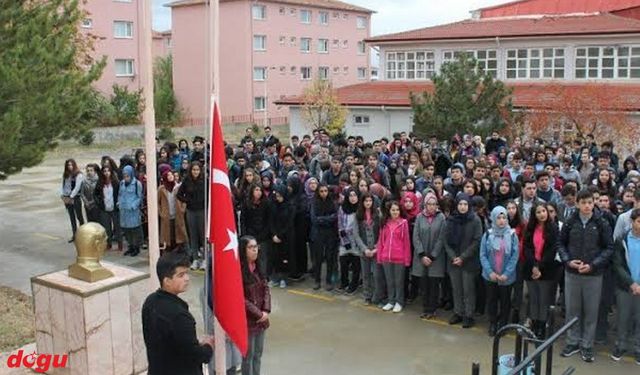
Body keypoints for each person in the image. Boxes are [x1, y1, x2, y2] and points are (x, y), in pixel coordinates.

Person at [559, 189, 614, 363]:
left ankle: (587, 345)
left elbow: (609, 248)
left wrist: (593, 265)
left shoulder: (602, 222)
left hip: (594, 274)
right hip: (572, 273)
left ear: (593, 203)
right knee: (573, 310)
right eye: (583, 203)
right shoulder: (570, 222)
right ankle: (572, 341)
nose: (587, 206)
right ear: (577, 203)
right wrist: (568, 260)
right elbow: (561, 243)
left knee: (591, 311)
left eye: (590, 202)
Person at [142, 252, 214, 375]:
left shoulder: (150, 301)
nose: (187, 278)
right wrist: (208, 346)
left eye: (187, 273)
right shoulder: (179, 316)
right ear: (167, 281)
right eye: (181, 275)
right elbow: (196, 356)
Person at [444, 194, 483, 328]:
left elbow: (477, 241)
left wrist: (463, 257)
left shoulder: (475, 220)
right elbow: (446, 241)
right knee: (457, 289)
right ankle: (458, 312)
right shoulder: (451, 220)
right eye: (460, 204)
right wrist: (454, 257)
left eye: (465, 204)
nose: (462, 207)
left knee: (468, 290)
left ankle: (469, 315)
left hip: (469, 262)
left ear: (469, 206)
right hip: (453, 261)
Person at [480, 206, 519, 336]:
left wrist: (506, 274)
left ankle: (503, 324)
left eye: (504, 217)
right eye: (499, 218)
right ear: (493, 219)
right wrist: (490, 272)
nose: (502, 220)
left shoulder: (512, 235)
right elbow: (483, 255)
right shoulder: (488, 234)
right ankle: (492, 323)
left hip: (506, 277)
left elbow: (515, 256)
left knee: (505, 301)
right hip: (490, 275)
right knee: (491, 299)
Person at [523, 203, 560, 339]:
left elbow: (552, 250)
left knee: (543, 300)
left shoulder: (554, 228)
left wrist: (540, 266)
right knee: (533, 299)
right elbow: (527, 248)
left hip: (546, 269)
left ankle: (541, 327)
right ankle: (534, 324)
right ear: (534, 214)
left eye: (544, 211)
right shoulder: (530, 228)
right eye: (538, 212)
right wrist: (534, 265)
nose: (542, 214)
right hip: (531, 268)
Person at [610, 209, 640, 365]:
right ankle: (620, 345)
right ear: (633, 222)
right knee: (623, 317)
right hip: (625, 287)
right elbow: (618, 264)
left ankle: (638, 348)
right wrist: (631, 283)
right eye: (639, 222)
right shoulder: (622, 240)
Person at [240, 236, 271, 375]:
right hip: (248, 320)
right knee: (248, 357)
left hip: (261, 318)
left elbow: (266, 288)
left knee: (258, 354)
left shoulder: (258, 266)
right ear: (243, 250)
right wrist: (259, 314)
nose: (255, 250)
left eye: (256, 247)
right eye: (251, 247)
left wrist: (266, 310)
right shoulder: (239, 270)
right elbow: (241, 298)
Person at [412, 193, 446, 319]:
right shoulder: (419, 217)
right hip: (422, 257)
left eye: (434, 204)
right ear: (425, 205)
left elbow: (441, 238)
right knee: (424, 284)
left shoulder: (441, 217)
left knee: (434, 285)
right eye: (429, 204)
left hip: (435, 258)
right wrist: (422, 254)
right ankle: (425, 308)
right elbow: (416, 237)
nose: (431, 207)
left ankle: (432, 309)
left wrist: (432, 256)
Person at [377, 201, 412, 313]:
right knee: (389, 281)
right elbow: (381, 241)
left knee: (399, 282)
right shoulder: (384, 223)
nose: (395, 212)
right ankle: (391, 301)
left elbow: (406, 242)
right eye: (393, 210)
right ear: (389, 211)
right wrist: (380, 256)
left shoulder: (404, 223)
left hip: (399, 258)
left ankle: (399, 301)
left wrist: (407, 259)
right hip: (386, 257)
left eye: (397, 210)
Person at [354, 192, 382, 305]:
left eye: (370, 201)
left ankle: (377, 295)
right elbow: (356, 234)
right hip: (364, 250)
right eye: (366, 201)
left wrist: (377, 247)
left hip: (375, 249)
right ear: (362, 202)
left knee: (376, 274)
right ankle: (367, 296)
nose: (368, 203)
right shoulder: (358, 215)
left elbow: (382, 233)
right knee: (365, 274)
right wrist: (364, 249)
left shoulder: (378, 214)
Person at [177, 162, 206, 270]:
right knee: (193, 235)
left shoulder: (204, 181)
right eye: (194, 170)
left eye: (197, 170)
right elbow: (179, 194)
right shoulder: (186, 181)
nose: (195, 172)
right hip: (190, 211)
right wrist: (187, 201)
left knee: (203, 235)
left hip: (202, 211)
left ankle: (204, 259)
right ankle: (195, 259)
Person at [310, 184, 338, 291]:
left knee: (330, 257)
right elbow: (314, 219)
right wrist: (327, 219)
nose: (324, 193)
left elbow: (335, 217)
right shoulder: (314, 203)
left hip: (330, 234)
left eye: (325, 191)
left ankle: (328, 281)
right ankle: (317, 280)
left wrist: (323, 219)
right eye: (321, 191)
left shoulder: (332, 203)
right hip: (318, 234)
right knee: (318, 258)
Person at [337, 188, 361, 294]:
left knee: (356, 265)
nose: (353, 198)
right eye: (350, 195)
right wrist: (345, 241)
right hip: (345, 240)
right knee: (343, 263)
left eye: (355, 195)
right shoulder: (342, 208)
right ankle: (344, 282)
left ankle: (354, 284)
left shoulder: (361, 209)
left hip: (357, 241)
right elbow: (340, 225)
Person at [158, 170, 188, 252]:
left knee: (178, 234)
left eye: (171, 174)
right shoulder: (161, 188)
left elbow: (184, 198)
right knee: (168, 235)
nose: (170, 176)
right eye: (168, 175)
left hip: (177, 214)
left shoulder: (178, 187)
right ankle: (168, 250)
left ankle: (179, 250)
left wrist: (182, 209)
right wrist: (161, 213)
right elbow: (157, 202)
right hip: (167, 216)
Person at [95, 164, 122, 251]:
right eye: (105, 171)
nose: (106, 173)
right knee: (107, 228)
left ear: (111, 172)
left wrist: (118, 203)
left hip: (114, 208)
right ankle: (108, 244)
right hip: (104, 209)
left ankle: (120, 244)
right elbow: (95, 194)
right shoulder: (100, 182)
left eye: (108, 171)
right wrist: (99, 203)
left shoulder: (116, 182)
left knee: (117, 227)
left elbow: (120, 194)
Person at [118, 165, 143, 257]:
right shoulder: (122, 183)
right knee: (126, 230)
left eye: (127, 176)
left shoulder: (137, 184)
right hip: (124, 210)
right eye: (124, 176)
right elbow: (120, 194)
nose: (126, 178)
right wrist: (119, 203)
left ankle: (136, 247)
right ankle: (130, 246)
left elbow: (139, 197)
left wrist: (133, 206)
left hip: (133, 211)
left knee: (134, 230)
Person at [61, 158, 85, 242]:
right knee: (72, 217)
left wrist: (71, 197)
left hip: (75, 198)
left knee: (79, 216)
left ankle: (83, 234)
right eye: (68, 165)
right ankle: (74, 235)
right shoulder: (66, 174)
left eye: (71, 165)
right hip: (66, 197)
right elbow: (64, 186)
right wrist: (63, 195)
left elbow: (77, 187)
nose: (69, 167)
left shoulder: (78, 175)